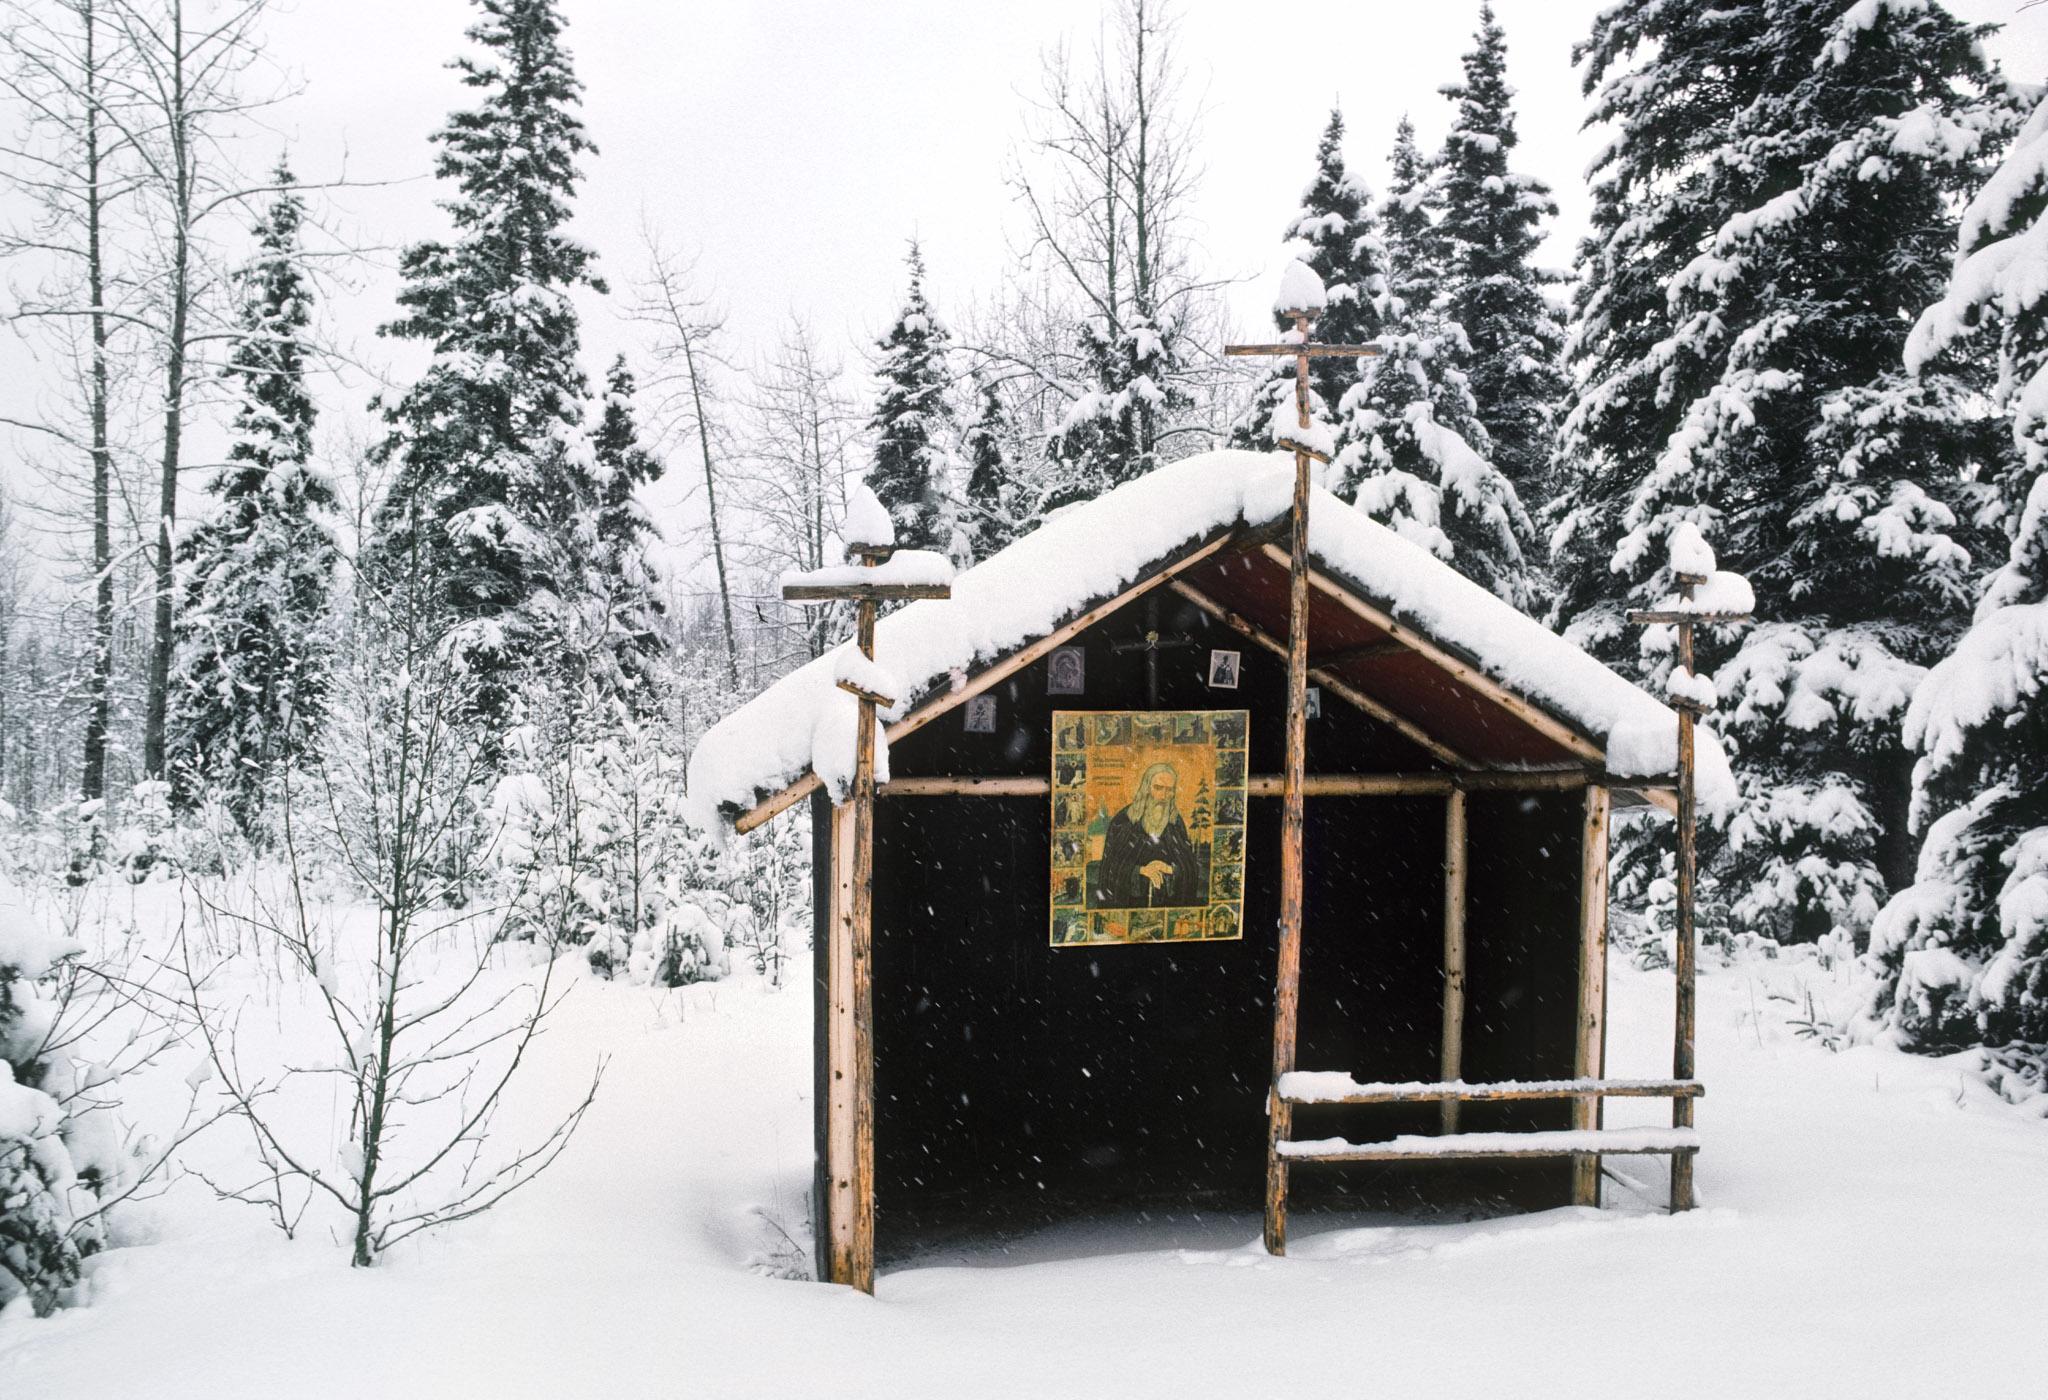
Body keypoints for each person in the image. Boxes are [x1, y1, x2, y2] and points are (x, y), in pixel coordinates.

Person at [1093, 762, 1200, 908]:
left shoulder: (1175, 823)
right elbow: (1110, 868)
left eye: (1169, 790)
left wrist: (1169, 869)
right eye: (1158, 788)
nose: (1163, 796)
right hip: (1131, 904)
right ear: (1146, 788)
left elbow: (1190, 867)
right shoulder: (1125, 821)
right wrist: (1141, 871)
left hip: (1167, 905)